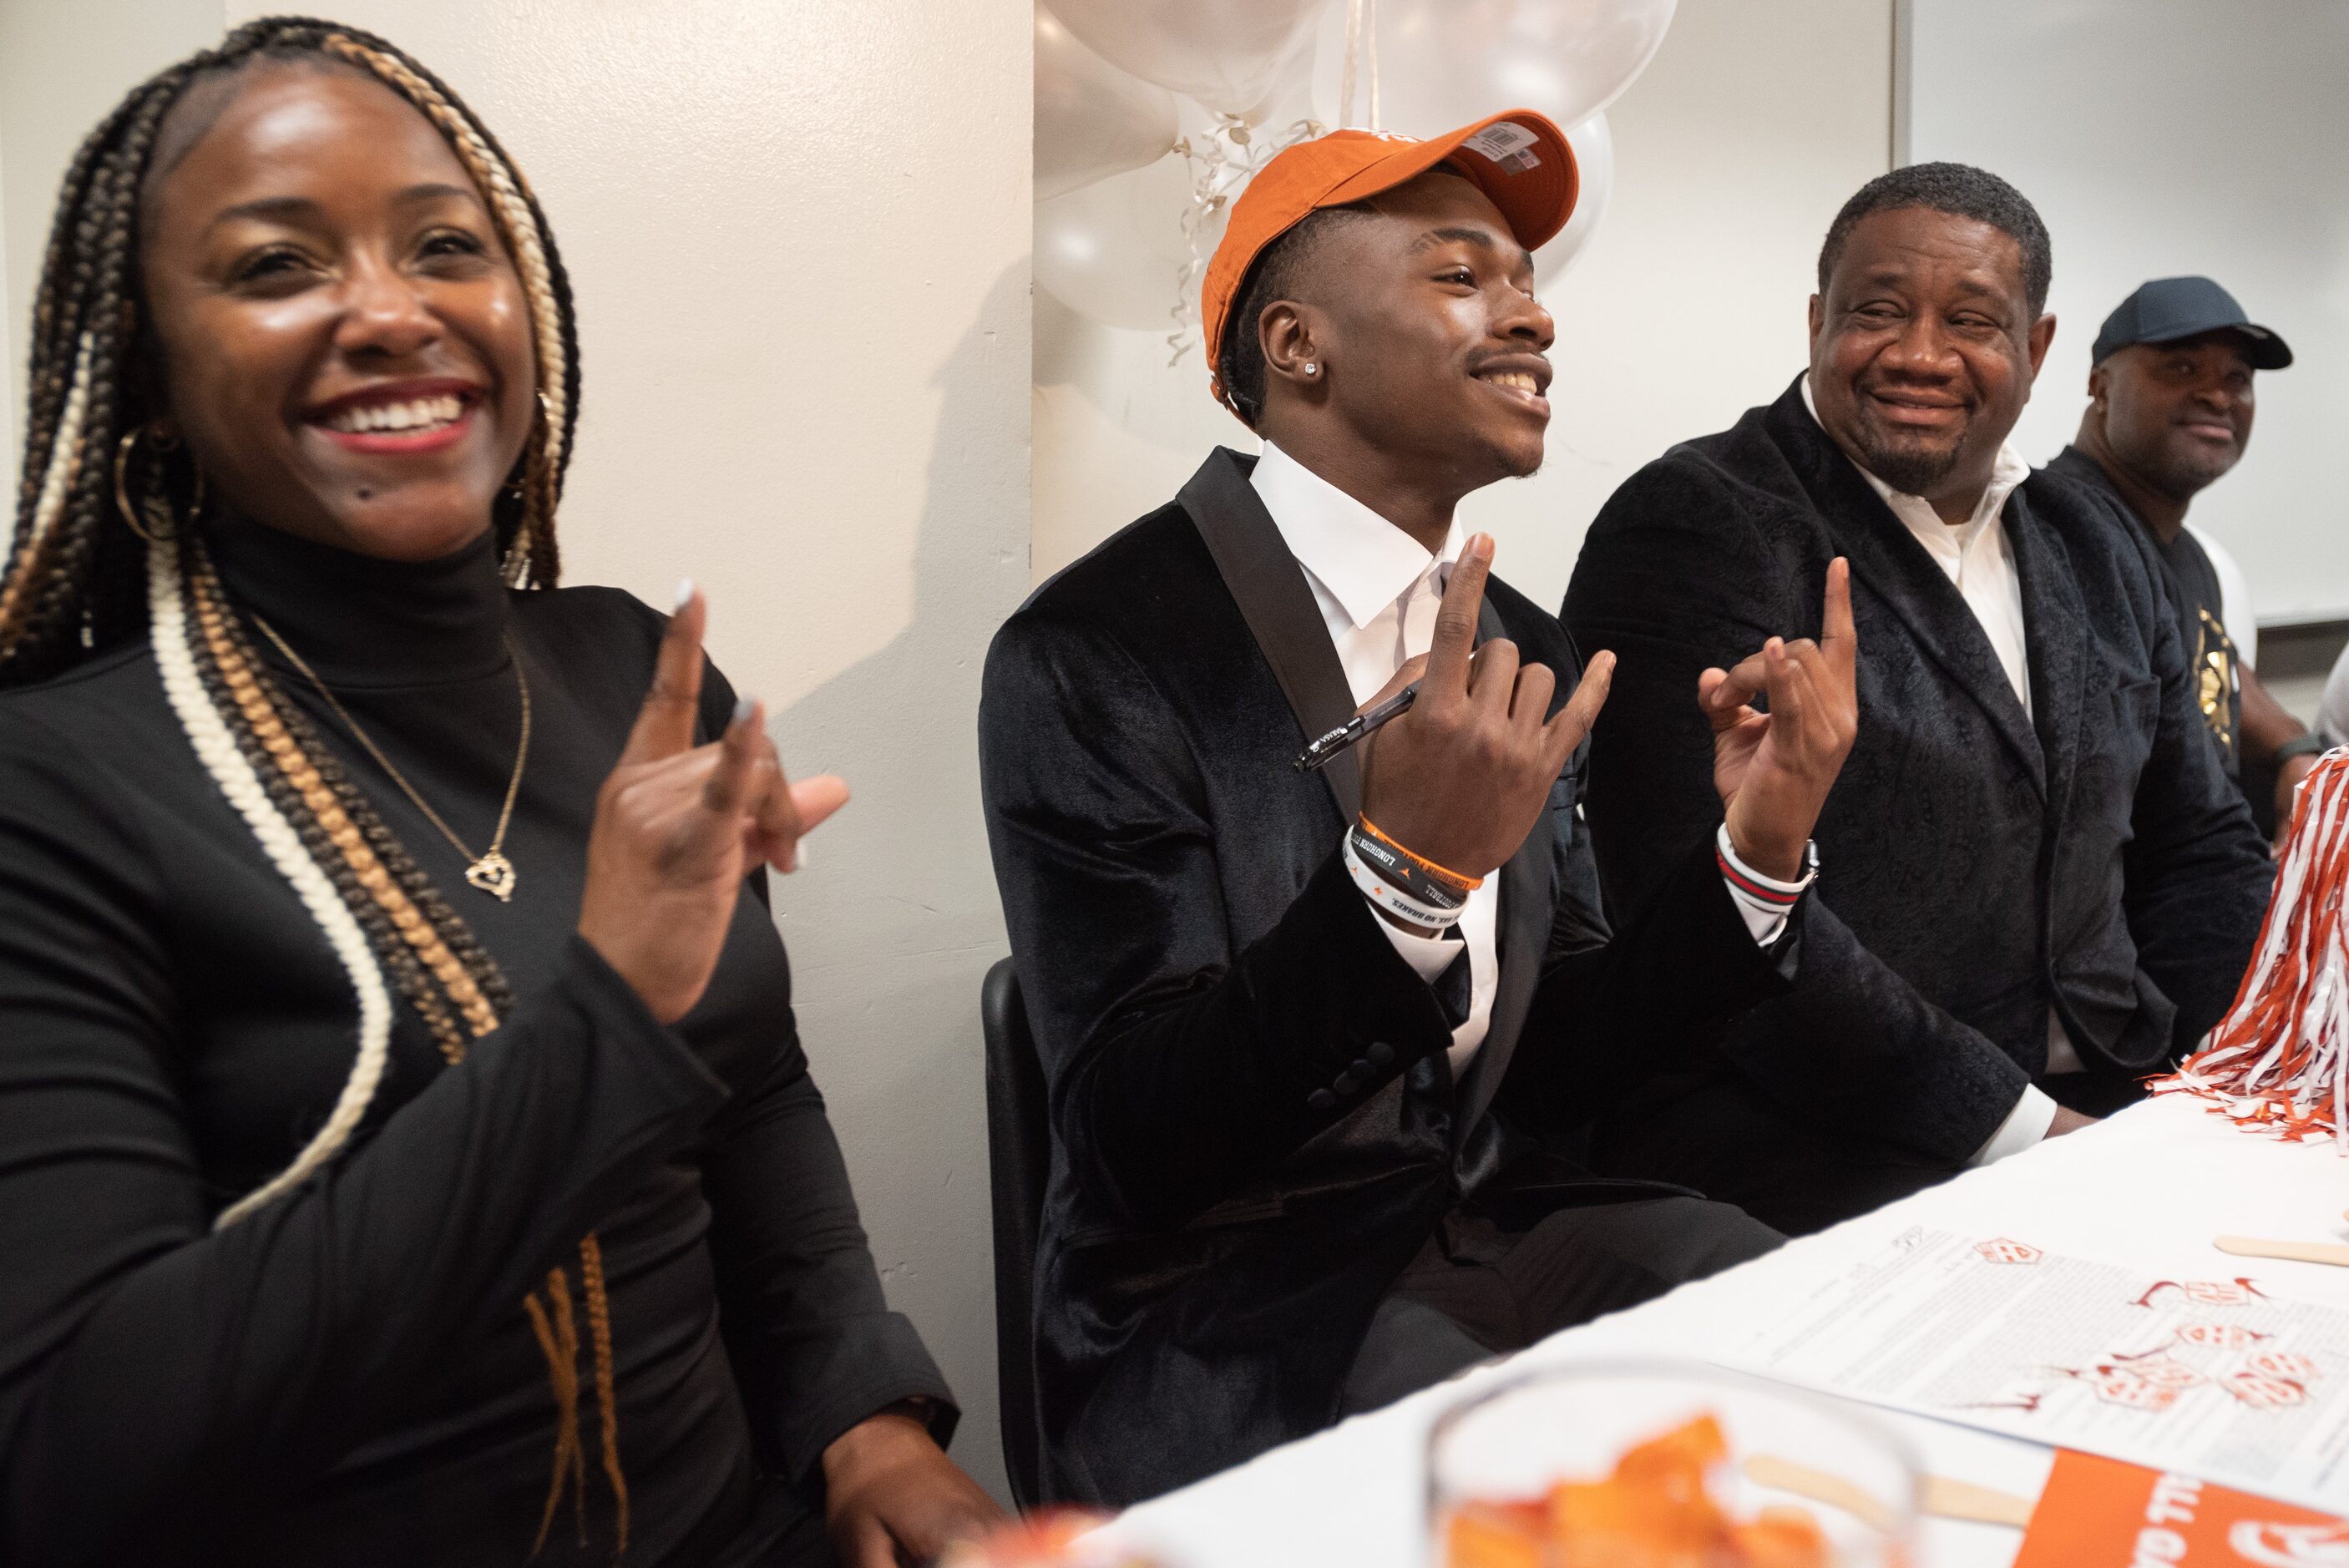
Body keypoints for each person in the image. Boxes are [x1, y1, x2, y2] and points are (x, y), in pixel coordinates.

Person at [0, 21, 998, 1566]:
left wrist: (863, 1422)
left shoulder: (626, 668)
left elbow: (753, 1093)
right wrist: (600, 1022)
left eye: (446, 247)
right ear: (148, 369)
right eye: (277, 267)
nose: (393, 311)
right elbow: (72, 1458)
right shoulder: (49, 786)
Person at [979, 111, 1860, 1506]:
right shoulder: (1099, 646)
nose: (1532, 319)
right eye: (1463, 274)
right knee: (1544, 1486)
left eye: (1528, 280)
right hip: (1227, 1292)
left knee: (1819, 1330)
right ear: (1296, 344)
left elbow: (1562, 1052)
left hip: (1486, 1215)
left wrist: (1749, 860)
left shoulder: (1526, 639)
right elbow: (1131, 1137)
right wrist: (1397, 877)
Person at [1562, 164, 2273, 1236]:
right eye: (1877, 312)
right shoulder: (1697, 523)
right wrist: (2033, 1137)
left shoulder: (2094, 540)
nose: (1920, 355)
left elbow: (2199, 844)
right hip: (1822, 1148)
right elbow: (1712, 919)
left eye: (1971, 322)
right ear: (1815, 322)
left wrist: (2209, 1084)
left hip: (2122, 1103)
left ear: (2034, 351)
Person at [2045, 276, 2321, 844]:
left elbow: (2211, 663)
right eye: (2180, 368)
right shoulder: (2065, 534)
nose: (2217, 397)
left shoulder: (2183, 548)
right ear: (2099, 387)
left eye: (2236, 378)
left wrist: (2292, 744)